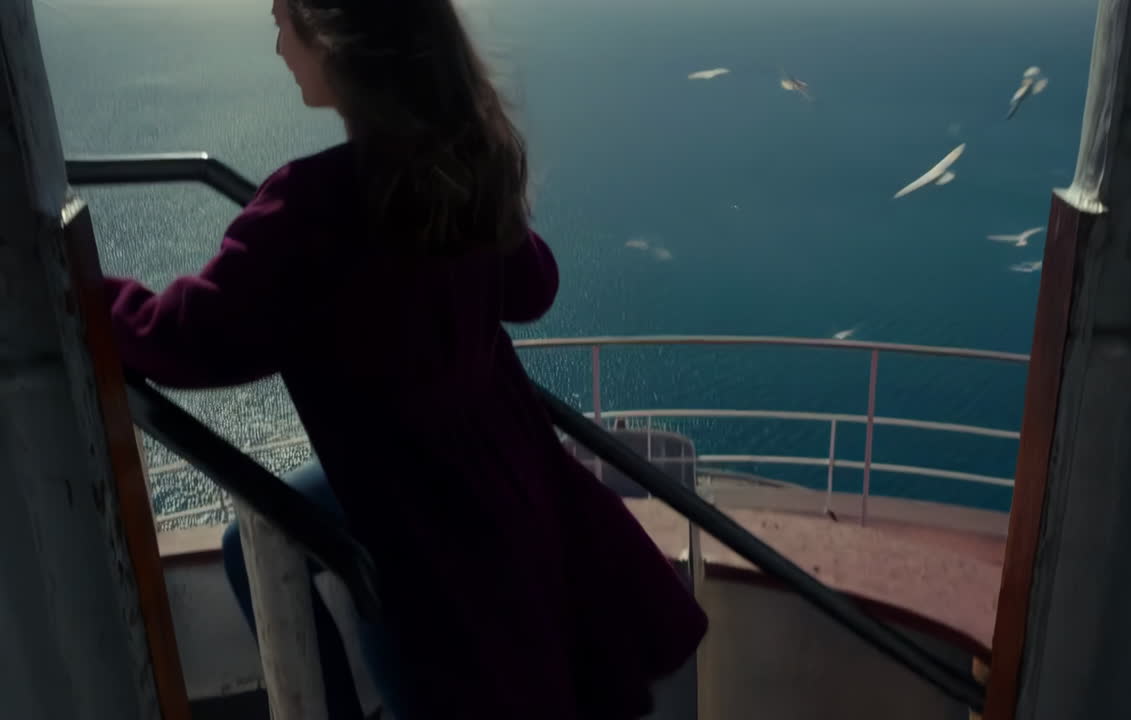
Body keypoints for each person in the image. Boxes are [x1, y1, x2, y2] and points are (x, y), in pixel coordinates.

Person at [100, 0, 708, 717]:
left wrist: (82, 287)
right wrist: (494, 216)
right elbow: (534, 289)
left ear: (336, 43)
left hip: (427, 534)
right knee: (252, 541)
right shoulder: (457, 168)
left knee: (446, 687)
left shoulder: (309, 212)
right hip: (519, 488)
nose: (276, 45)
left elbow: (185, 339)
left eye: (282, 21)